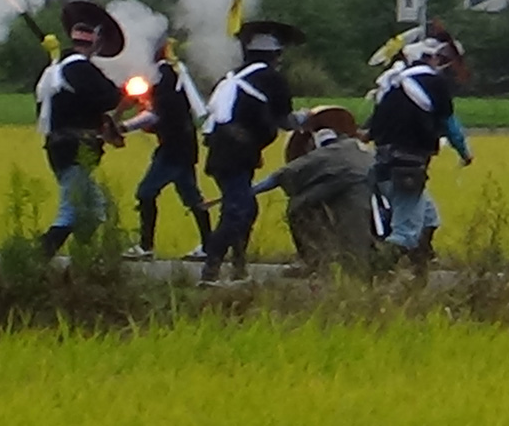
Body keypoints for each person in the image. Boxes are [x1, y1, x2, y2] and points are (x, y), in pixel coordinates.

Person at [199, 20, 304, 285]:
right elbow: (285, 120)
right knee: (238, 210)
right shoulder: (271, 79)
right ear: (275, 55)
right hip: (236, 153)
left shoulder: (232, 76)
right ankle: (211, 268)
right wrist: (308, 118)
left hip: (224, 151)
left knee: (246, 208)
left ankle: (239, 267)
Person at [367, 35, 473, 271]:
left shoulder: (392, 85)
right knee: (405, 233)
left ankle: (418, 271)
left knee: (428, 218)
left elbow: (371, 129)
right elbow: (449, 124)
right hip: (408, 166)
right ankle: (372, 273)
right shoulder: (434, 84)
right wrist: (465, 153)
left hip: (382, 165)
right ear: (431, 59)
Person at [35, 1, 126, 260]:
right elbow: (107, 97)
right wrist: (122, 93)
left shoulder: (58, 68)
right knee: (71, 210)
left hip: (65, 147)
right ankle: (38, 257)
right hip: (74, 149)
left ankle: (83, 261)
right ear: (95, 40)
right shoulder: (79, 68)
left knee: (96, 208)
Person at [250, 107, 375, 278]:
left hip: (351, 193)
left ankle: (317, 260)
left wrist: (250, 191)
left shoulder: (320, 156)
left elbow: (279, 177)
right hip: (375, 188)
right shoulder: (357, 147)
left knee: (298, 208)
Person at [121, 36, 213, 263]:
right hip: (183, 145)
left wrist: (124, 126)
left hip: (173, 148)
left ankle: (146, 246)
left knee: (146, 192)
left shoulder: (162, 76)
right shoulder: (171, 73)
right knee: (192, 197)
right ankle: (209, 246)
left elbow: (155, 114)